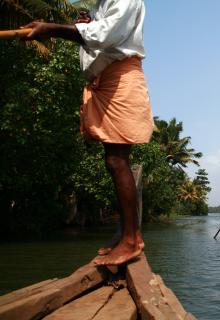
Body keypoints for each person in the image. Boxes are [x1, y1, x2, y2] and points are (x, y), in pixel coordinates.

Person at [22, 0, 154, 266]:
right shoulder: (99, 6)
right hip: (105, 80)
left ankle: (129, 241)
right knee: (113, 159)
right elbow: (95, 40)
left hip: (120, 77)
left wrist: (53, 29)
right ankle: (131, 236)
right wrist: (81, 27)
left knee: (117, 159)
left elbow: (104, 36)